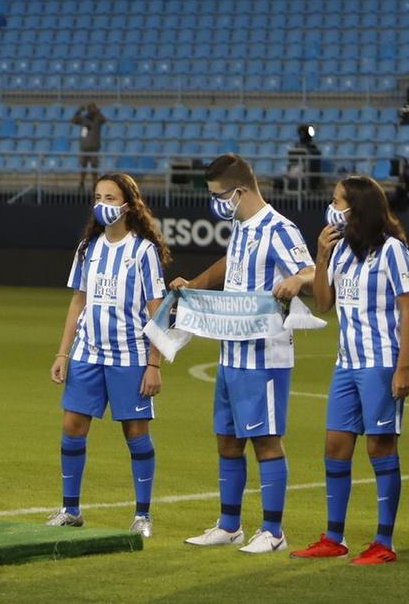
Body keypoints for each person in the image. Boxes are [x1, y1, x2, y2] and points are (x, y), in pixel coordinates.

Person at [175, 152, 312, 555]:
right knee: (228, 440)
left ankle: (273, 530)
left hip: (265, 354)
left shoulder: (279, 228)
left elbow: (311, 271)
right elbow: (229, 264)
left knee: (267, 440)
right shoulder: (241, 225)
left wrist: (297, 281)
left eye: (219, 194)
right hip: (231, 351)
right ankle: (229, 525)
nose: (217, 202)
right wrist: (195, 283)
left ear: (240, 190)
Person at [287, 175, 409, 565]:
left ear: (357, 207)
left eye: (337, 201)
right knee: (335, 446)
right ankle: (334, 536)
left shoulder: (393, 250)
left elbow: (408, 308)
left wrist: (403, 367)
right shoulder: (340, 250)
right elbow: (324, 303)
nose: (332, 208)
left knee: (380, 446)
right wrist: (321, 258)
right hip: (346, 363)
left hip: (380, 362)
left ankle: (383, 541)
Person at [48, 172, 167, 536]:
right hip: (88, 353)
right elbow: (77, 302)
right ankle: (71, 509)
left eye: (111, 198)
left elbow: (156, 310)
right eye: (98, 197)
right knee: (72, 427)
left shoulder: (143, 251)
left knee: (135, 433)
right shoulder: (89, 248)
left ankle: (142, 515)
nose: (103, 204)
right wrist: (62, 353)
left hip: (130, 357)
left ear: (128, 205)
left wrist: (153, 364)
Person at [69, 102, 106, 192]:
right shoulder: (83, 119)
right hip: (84, 147)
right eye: (90, 108)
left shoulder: (98, 118)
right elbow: (73, 120)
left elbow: (104, 120)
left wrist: (98, 112)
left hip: (94, 147)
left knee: (94, 167)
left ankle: (95, 184)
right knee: (83, 166)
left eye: (93, 107)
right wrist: (78, 111)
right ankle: (81, 184)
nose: (91, 109)